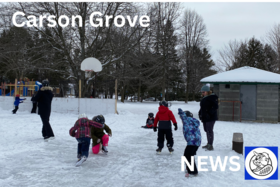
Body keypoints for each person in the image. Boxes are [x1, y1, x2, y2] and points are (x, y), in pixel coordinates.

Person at [178, 109, 201, 177]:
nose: (181, 120)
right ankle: (189, 168)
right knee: (190, 155)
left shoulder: (187, 120)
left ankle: (193, 172)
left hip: (192, 141)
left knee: (187, 156)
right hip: (197, 141)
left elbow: (183, 116)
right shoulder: (193, 121)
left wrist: (180, 112)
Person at [198, 85, 219, 151]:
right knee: (206, 130)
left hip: (210, 117)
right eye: (202, 92)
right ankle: (208, 143)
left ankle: (210, 145)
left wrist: (209, 114)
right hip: (205, 117)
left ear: (207, 91)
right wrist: (200, 114)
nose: (202, 93)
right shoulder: (204, 98)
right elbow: (202, 108)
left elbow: (215, 107)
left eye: (204, 92)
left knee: (209, 130)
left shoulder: (212, 97)